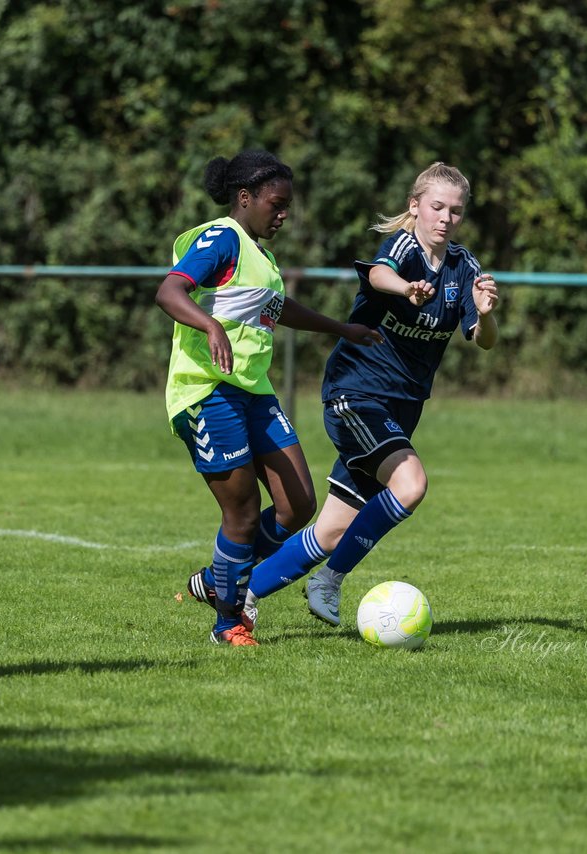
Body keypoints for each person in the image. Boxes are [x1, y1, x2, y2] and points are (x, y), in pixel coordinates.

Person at [189, 161, 499, 630]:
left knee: (333, 529)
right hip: (356, 393)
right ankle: (328, 582)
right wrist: (407, 289)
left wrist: (487, 312)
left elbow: (484, 338)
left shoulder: (463, 266)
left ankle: (237, 590)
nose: (445, 218)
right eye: (436, 206)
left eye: (455, 211)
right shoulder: (404, 247)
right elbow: (378, 274)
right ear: (414, 207)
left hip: (402, 407)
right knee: (411, 484)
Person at [157, 150, 383, 647]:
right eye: (276, 204)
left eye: (288, 205)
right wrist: (209, 323)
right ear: (245, 198)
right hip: (208, 391)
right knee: (240, 513)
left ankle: (217, 578)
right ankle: (228, 623)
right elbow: (170, 292)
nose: (284, 214)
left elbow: (281, 310)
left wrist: (343, 329)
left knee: (297, 505)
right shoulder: (222, 239)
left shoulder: (260, 255)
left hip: (253, 392)